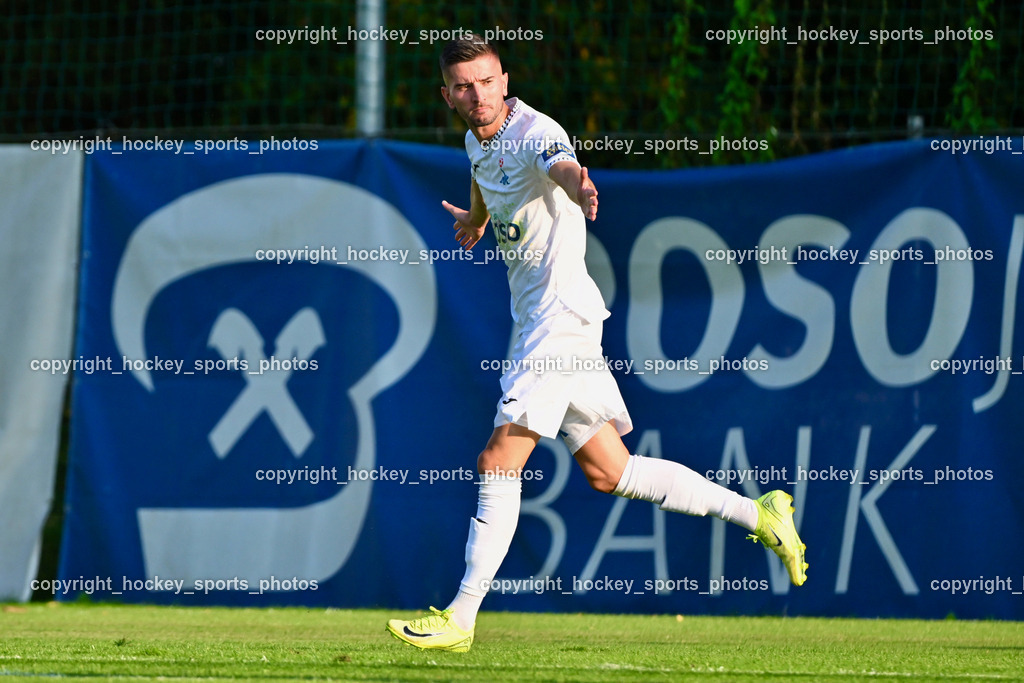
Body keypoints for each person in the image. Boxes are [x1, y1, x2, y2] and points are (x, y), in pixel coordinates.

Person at [386, 34, 807, 653]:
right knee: (612, 473)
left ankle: (461, 617)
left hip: (557, 321)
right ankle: (761, 514)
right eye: (463, 86)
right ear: (445, 94)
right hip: (550, 321)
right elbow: (485, 171)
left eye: (486, 81)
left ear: (506, 80)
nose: (477, 95)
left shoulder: (536, 133)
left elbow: (556, 163)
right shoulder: (477, 138)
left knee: (498, 461)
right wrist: (476, 218)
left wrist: (578, 187)